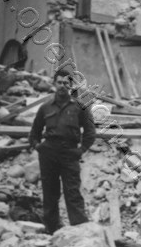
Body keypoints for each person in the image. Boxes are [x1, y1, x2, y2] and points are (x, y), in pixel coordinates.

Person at [29, 69, 96, 234]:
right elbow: (34, 133)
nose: (62, 86)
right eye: (59, 82)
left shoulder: (80, 108)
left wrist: (81, 150)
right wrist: (38, 147)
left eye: (66, 83)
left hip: (70, 154)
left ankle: (80, 230)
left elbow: (90, 132)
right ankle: (51, 230)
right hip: (49, 154)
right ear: (54, 84)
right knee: (50, 193)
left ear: (71, 86)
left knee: (72, 193)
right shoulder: (45, 107)